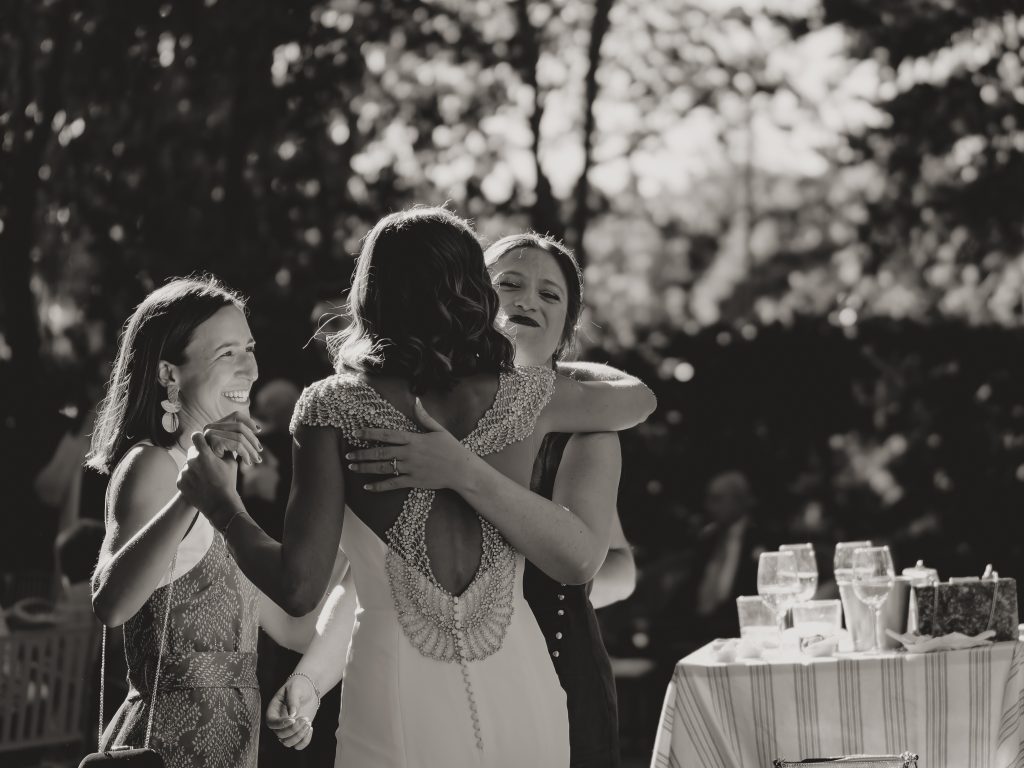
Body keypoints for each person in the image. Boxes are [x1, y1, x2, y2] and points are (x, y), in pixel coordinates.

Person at [176, 206, 656, 767]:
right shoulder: (531, 396)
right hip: (524, 687)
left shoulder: (332, 408)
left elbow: (300, 587)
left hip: (397, 696)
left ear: (369, 290)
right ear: (475, 291)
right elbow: (639, 398)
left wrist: (222, 508)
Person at [87, 276, 321, 768]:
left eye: (250, 348)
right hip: (167, 747)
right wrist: (192, 498)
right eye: (227, 353)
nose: (251, 367)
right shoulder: (154, 465)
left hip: (234, 747)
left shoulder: (223, 482)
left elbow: (291, 629)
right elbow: (111, 603)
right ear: (170, 375)